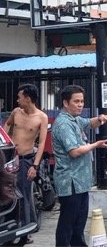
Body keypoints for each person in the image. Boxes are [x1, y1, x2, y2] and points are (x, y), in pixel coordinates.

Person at [52, 84, 107, 247]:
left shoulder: (74, 119)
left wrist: (100, 119)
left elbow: (87, 123)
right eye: (76, 101)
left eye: (82, 101)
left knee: (78, 223)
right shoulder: (64, 124)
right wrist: (95, 145)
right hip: (70, 182)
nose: (80, 105)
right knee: (68, 223)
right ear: (65, 103)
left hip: (80, 182)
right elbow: (74, 151)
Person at [3, 84, 48, 244]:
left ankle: (26, 230)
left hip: (26, 159)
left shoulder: (41, 117)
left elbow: (42, 143)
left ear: (28, 98)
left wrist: (34, 166)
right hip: (10, 159)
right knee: (7, 193)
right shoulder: (16, 112)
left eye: (19, 97)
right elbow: (6, 125)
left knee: (23, 194)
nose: (17, 100)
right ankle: (9, 227)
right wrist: (5, 141)